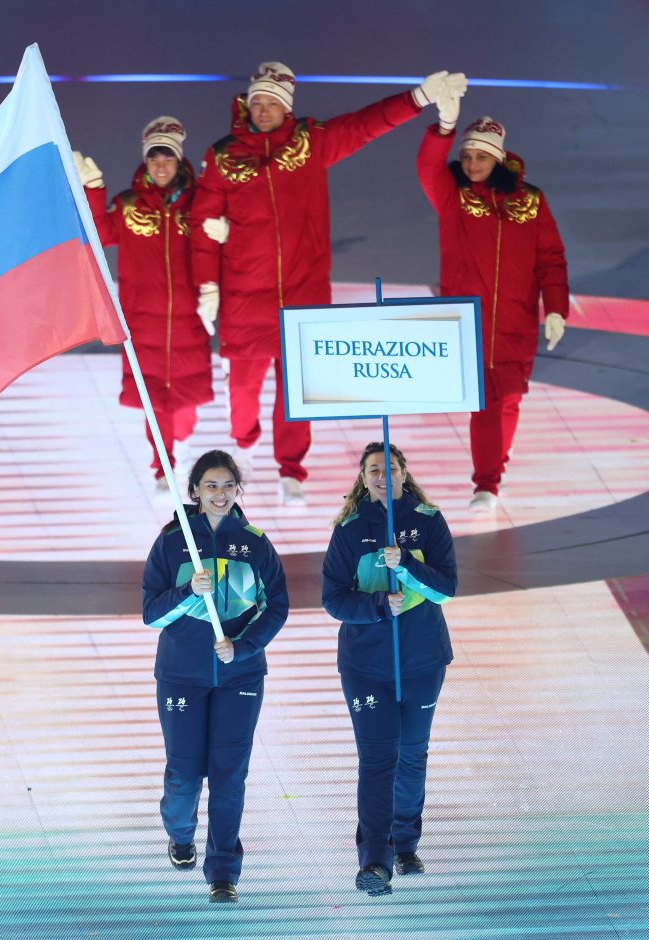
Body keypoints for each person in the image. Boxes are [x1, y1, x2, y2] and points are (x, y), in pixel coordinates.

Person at [190, 62, 466, 506]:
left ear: (287, 108)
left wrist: (417, 97)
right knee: (242, 391)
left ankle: (290, 470)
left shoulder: (310, 142)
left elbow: (364, 125)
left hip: (304, 294)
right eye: (258, 102)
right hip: (245, 295)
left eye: (273, 103)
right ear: (247, 105)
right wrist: (208, 285)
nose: (264, 110)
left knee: (296, 391)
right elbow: (203, 223)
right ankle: (245, 443)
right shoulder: (223, 157)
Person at [142, 449, 289, 903]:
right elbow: (151, 614)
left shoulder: (256, 543)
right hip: (181, 676)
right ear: (195, 492)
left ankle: (223, 872)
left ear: (238, 490)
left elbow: (276, 608)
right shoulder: (172, 542)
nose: (220, 494)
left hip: (239, 677)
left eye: (228, 486)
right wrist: (189, 591)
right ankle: (180, 834)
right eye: (211, 486)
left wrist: (242, 647)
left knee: (229, 776)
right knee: (184, 776)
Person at [417, 98, 569, 513]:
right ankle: (486, 483)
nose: (471, 164)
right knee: (484, 402)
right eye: (466, 156)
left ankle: (496, 459)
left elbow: (550, 258)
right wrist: (443, 128)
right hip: (468, 323)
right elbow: (427, 167)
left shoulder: (531, 202)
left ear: (498, 158)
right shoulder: (453, 198)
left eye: (480, 157)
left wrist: (556, 308)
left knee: (511, 396)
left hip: (518, 320)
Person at [321, 442, 456, 897]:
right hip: (366, 666)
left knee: (412, 754)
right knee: (378, 759)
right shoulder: (349, 530)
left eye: (390, 468)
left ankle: (406, 844)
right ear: (363, 479)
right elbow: (333, 599)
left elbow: (446, 588)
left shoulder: (428, 521)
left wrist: (409, 565)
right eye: (374, 470)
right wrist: (379, 604)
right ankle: (375, 861)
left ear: (404, 473)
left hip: (423, 661)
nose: (383, 476)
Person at [75, 118, 212, 493]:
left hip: (190, 320)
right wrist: (93, 189)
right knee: (156, 402)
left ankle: (180, 443)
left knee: (185, 407)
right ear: (146, 161)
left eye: (167, 158)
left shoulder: (200, 203)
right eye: (154, 158)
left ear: (178, 161)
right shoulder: (128, 205)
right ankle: (163, 466)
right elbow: (98, 234)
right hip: (142, 323)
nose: (161, 166)